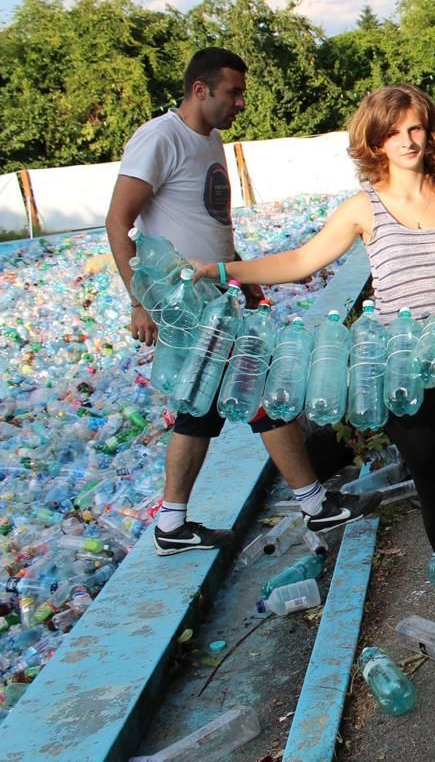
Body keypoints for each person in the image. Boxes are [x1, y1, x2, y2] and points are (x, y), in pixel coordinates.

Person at [193, 84, 435, 643]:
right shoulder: (363, 207)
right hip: (404, 371)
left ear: (431, 130)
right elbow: (301, 261)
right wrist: (224, 270)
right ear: (375, 142)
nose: (408, 140)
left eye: (416, 127)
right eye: (394, 132)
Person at [105, 48, 378, 556]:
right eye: (233, 92)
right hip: (188, 303)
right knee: (261, 389)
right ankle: (315, 504)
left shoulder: (210, 140)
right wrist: (140, 303)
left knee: (201, 409)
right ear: (200, 89)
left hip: (218, 294)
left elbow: (207, 221)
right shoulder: (160, 138)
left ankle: (172, 523)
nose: (241, 103)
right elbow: (117, 220)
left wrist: (238, 270)